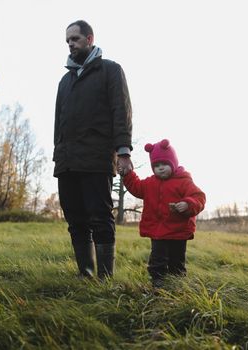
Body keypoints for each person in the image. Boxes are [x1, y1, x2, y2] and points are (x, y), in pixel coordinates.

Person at [53, 20, 133, 279]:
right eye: (67, 41)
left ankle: (105, 277)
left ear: (89, 39)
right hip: (67, 161)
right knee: (75, 219)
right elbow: (58, 121)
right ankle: (85, 273)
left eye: (75, 39)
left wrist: (123, 151)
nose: (70, 44)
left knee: (99, 216)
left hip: (96, 157)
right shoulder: (64, 81)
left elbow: (121, 111)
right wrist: (58, 153)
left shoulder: (110, 70)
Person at [121, 139, 206, 287]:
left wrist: (187, 203)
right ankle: (158, 285)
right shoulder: (149, 183)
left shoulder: (184, 181)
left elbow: (199, 197)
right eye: (156, 165)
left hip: (178, 231)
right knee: (157, 261)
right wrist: (128, 175)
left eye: (164, 164)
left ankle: (177, 286)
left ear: (173, 163)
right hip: (158, 232)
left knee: (176, 263)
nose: (160, 168)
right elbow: (136, 187)